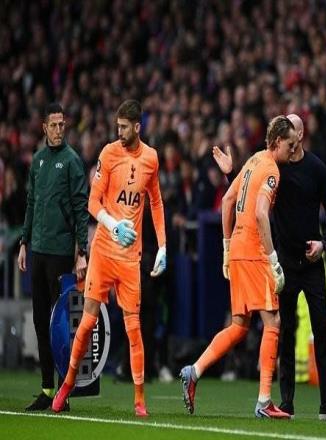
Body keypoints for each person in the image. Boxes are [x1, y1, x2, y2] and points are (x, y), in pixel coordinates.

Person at [213, 114, 326, 420]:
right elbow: (245, 196)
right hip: (284, 261)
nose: (293, 140)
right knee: (284, 330)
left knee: (321, 330)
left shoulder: (317, 169)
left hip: (312, 262)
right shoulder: (276, 167)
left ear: (301, 135)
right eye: (289, 134)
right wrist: (230, 174)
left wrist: (323, 243)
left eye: (296, 132)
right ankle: (287, 403)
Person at [51, 99, 167, 417]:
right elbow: (92, 202)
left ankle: (139, 400)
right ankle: (67, 385)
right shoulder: (108, 153)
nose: (119, 132)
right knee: (88, 322)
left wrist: (163, 246)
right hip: (104, 250)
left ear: (138, 127)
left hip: (130, 258)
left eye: (124, 127)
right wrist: (114, 225)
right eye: (117, 126)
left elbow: (156, 203)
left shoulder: (151, 158)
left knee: (134, 329)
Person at [180, 115, 296, 419]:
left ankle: (194, 370)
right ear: (277, 142)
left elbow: (228, 200)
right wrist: (273, 260)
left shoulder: (254, 160)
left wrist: (226, 247)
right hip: (256, 252)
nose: (293, 149)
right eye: (290, 144)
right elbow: (261, 213)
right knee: (273, 321)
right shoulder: (271, 169)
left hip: (238, 250)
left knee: (240, 325)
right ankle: (264, 401)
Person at [19, 102, 89, 411]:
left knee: (60, 324)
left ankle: (64, 390)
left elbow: (80, 208)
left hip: (61, 253)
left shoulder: (72, 161)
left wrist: (82, 251)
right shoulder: (37, 161)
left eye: (62, 124)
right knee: (39, 321)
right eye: (54, 125)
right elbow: (31, 203)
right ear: (44, 127)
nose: (59, 129)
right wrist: (24, 242)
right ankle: (47, 388)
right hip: (38, 250)